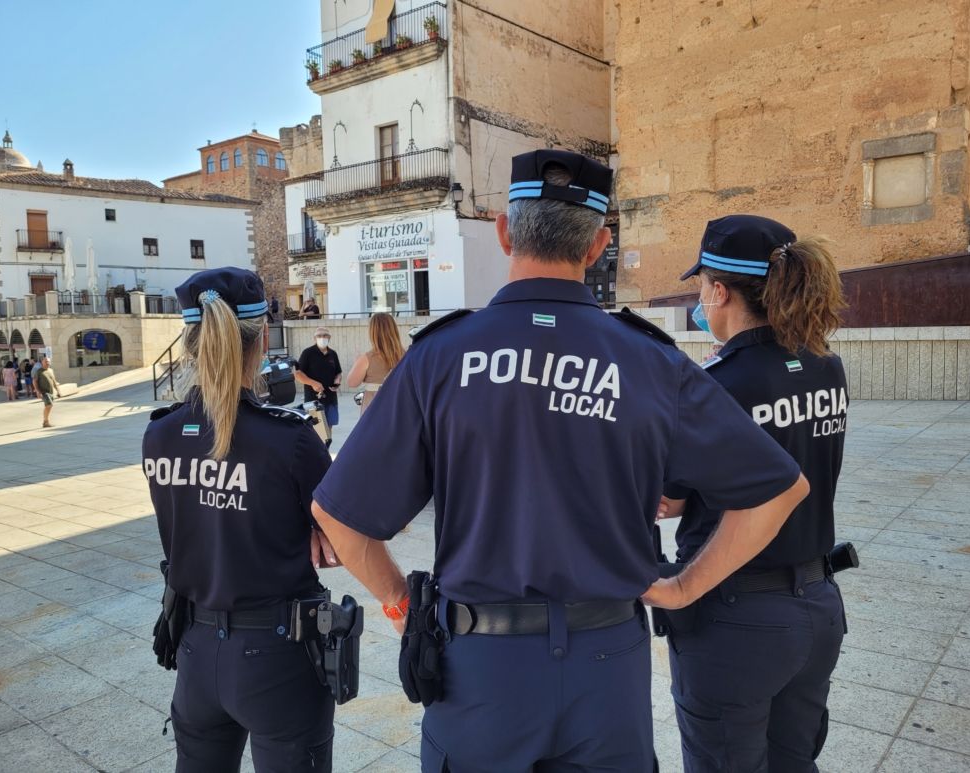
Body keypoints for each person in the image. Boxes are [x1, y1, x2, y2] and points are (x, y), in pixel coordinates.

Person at [309, 149, 809, 772]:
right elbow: (778, 489)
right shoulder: (650, 361)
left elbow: (339, 516)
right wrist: (683, 588)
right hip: (608, 668)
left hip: (478, 673)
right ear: (598, 245)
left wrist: (400, 604)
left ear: (503, 231)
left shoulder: (439, 357)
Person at [658, 215, 850, 773]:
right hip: (817, 606)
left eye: (702, 286)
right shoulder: (825, 365)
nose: (701, 301)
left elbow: (668, 500)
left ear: (720, 290)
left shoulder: (715, 383)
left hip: (735, 618)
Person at [142, 267, 339, 772]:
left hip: (195, 649)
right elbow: (343, 537)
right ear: (263, 336)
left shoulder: (159, 435)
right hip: (277, 654)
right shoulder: (290, 438)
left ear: (188, 341)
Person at [344, 313, 404, 413]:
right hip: (400, 407)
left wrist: (357, 362)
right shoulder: (407, 355)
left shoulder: (366, 358)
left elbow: (352, 382)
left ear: (373, 332)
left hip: (374, 411)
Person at [295, 327, 341, 446]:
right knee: (316, 430)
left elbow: (338, 372)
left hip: (331, 399)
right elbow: (298, 374)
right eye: (319, 335)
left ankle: (326, 453)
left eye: (325, 335)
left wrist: (337, 381)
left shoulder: (333, 354)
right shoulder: (308, 353)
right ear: (314, 338)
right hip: (313, 400)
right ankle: (317, 456)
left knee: (328, 429)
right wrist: (313, 383)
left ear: (329, 338)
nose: (323, 338)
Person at [36, 356, 59, 428]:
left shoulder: (51, 370)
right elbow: (34, 381)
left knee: (48, 406)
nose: (47, 363)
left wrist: (58, 390)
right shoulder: (39, 371)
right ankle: (46, 421)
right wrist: (37, 391)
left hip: (51, 391)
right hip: (44, 391)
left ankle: (45, 422)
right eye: (46, 361)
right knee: (49, 405)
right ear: (42, 362)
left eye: (48, 361)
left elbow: (54, 381)